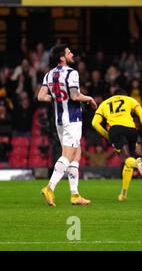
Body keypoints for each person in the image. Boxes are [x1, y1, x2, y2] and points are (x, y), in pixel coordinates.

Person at [38, 44, 97, 207]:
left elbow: (41, 97)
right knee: (68, 155)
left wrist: (57, 99)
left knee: (76, 154)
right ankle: (49, 187)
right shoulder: (72, 73)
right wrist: (90, 98)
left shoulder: (49, 75)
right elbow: (75, 95)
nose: (72, 53)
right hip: (72, 118)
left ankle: (75, 194)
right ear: (62, 57)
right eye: (68, 52)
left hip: (59, 119)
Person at [91, 88, 142, 201]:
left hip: (116, 130)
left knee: (126, 159)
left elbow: (94, 123)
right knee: (128, 161)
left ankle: (137, 163)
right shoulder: (130, 100)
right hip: (132, 130)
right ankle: (123, 193)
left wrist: (107, 135)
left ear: (113, 95)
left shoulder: (105, 103)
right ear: (124, 95)